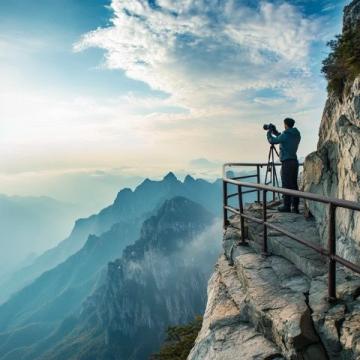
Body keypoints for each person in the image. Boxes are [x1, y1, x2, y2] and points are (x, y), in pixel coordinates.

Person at [267, 118, 301, 213]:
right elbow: (282, 137)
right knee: (294, 185)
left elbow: (272, 140)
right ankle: (295, 207)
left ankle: (286, 206)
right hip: (294, 162)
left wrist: (269, 132)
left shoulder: (286, 135)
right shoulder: (296, 134)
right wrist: (275, 131)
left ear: (285, 125)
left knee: (286, 185)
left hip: (287, 163)